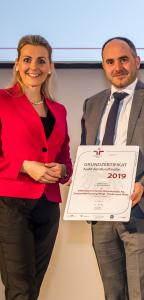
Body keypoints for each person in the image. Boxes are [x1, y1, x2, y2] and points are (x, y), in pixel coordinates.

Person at [80, 36, 144, 300]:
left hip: (141, 210)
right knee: (113, 294)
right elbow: (87, 155)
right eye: (110, 62)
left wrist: (143, 184)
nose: (117, 67)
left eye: (123, 59)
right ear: (103, 66)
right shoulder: (92, 104)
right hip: (101, 215)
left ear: (136, 61)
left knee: (142, 294)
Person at [0, 35, 72, 300]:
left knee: (32, 289)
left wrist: (63, 171)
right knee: (20, 289)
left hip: (48, 206)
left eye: (41, 61)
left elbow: (65, 155)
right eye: (27, 60)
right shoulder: (2, 100)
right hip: (10, 206)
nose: (35, 66)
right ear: (17, 64)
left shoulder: (59, 110)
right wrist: (24, 165)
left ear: (50, 66)